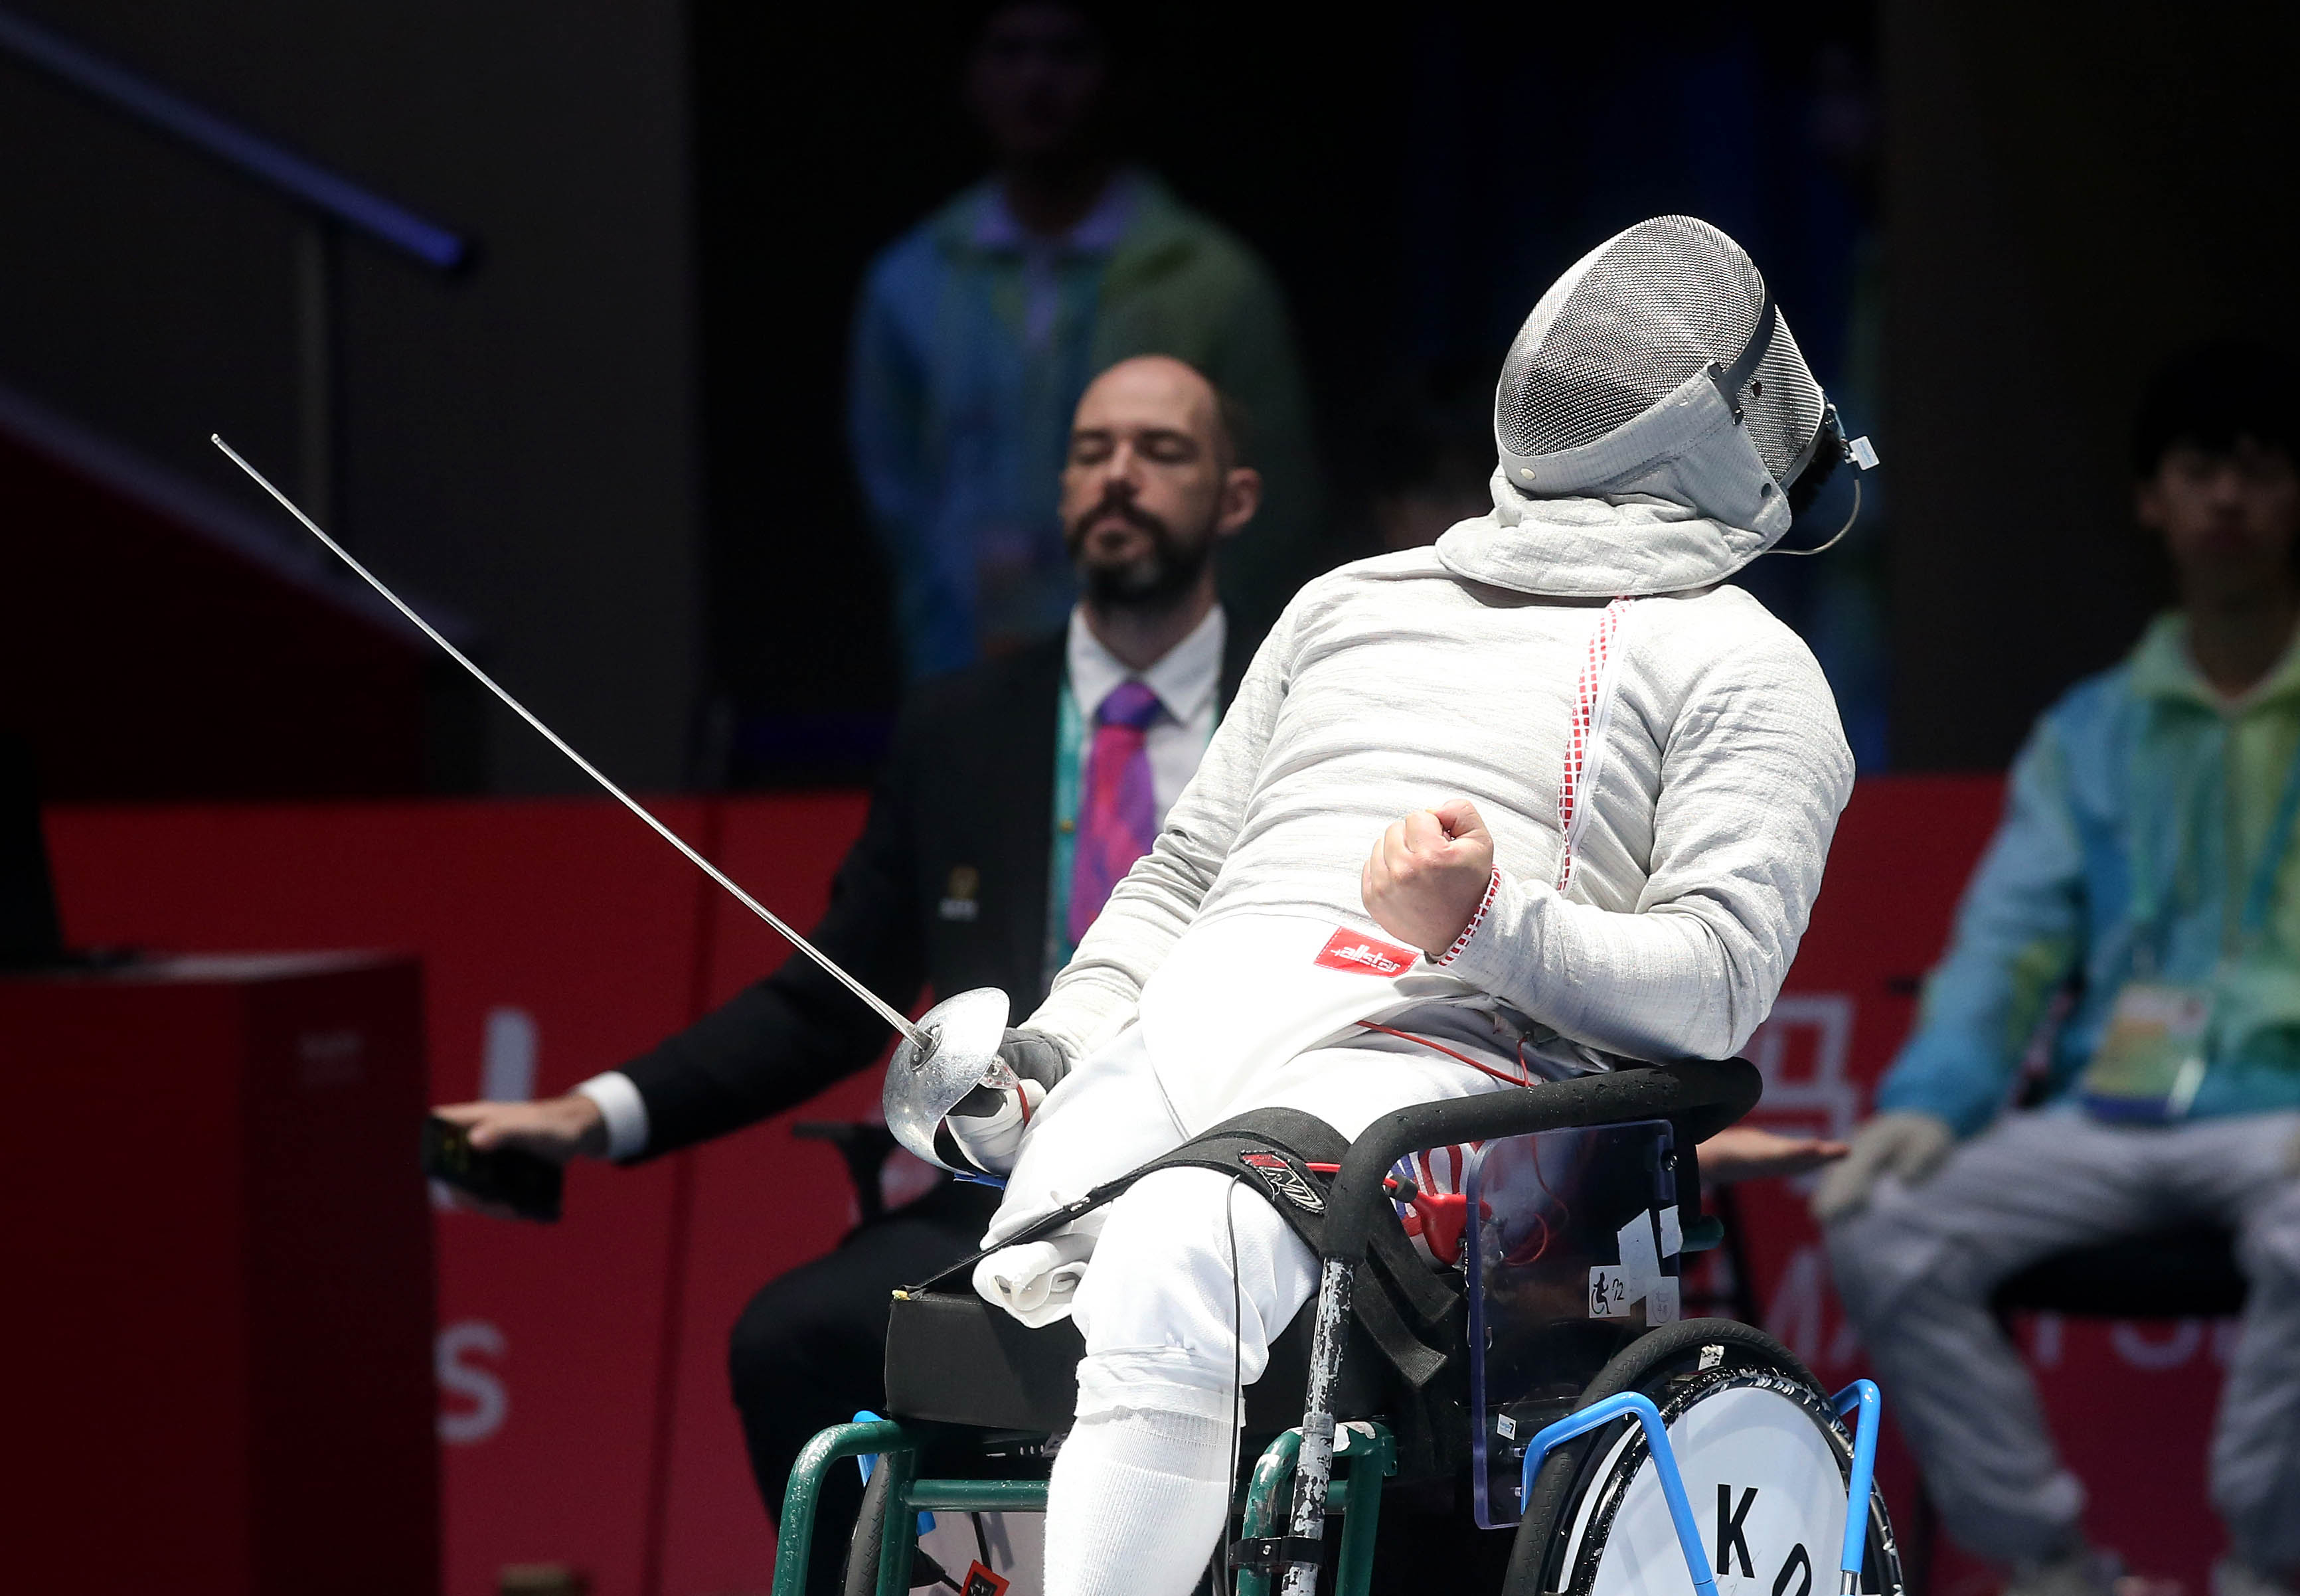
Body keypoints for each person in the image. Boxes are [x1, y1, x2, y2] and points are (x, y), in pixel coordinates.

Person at [930, 216, 1860, 1596]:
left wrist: (1487, 923)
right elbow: (1183, 875)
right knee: (1035, 1228)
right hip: (1204, 1022)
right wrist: (1053, 1047)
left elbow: (1717, 979)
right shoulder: (1343, 603)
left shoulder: (1742, 661)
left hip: (1449, 1066)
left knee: (1183, 1252)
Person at [436, 354, 1265, 1587]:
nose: (1118, 477)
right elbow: (826, 993)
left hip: (1231, 1179)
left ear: (1233, 496)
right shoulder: (961, 725)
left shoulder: (1294, 700)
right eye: (1091, 451)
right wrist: (590, 1111)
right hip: (998, 1197)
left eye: (1159, 451)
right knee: (785, 1337)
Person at [1818, 344, 2300, 1596]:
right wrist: (1929, 1099)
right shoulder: (2092, 731)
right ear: (2151, 499)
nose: (2228, 499)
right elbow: (2007, 941)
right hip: (2115, 1109)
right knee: (1884, 1218)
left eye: (2258, 470)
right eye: (2198, 470)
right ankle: (2050, 1565)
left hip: (2288, 1127)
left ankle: (2268, 1561)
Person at [848, 0, 1320, 682]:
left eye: (1066, 53)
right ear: (972, 76)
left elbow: (1278, 513)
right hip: (959, 668)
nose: (1036, 80)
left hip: (1179, 673)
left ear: (1120, 77)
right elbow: (896, 501)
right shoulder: (911, 281)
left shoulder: (1211, 281)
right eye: (1009, 52)